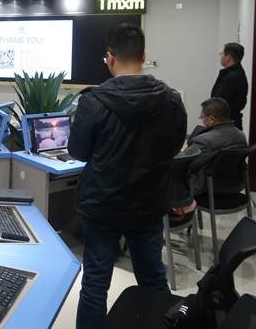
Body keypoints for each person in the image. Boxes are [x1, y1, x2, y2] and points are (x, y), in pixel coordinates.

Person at [68, 23, 187, 329]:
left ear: (110, 57)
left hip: (102, 205)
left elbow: (78, 152)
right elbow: (174, 148)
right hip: (148, 204)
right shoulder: (172, 100)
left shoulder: (93, 101)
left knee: (95, 284)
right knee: (153, 279)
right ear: (143, 56)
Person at [177, 97, 248, 196]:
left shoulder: (205, 141)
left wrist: (180, 152)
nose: (201, 120)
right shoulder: (240, 135)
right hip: (234, 186)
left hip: (203, 188)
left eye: (202, 117)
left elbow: (181, 164)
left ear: (211, 119)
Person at [211, 43, 248, 130]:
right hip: (227, 122)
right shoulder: (233, 73)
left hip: (227, 123)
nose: (221, 57)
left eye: (222, 54)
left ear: (228, 57)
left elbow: (219, 100)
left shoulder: (234, 76)